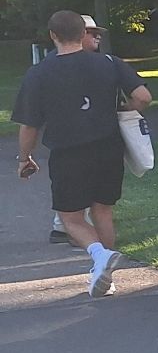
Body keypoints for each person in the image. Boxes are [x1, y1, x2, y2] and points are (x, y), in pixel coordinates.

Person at [14, 10, 153, 297]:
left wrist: (24, 158)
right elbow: (143, 97)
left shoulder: (39, 73)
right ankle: (106, 275)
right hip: (108, 147)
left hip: (68, 152)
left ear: (53, 36)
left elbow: (29, 126)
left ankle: (99, 256)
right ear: (83, 34)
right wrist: (123, 111)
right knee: (103, 211)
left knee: (71, 218)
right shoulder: (109, 63)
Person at [48, 14, 110, 245]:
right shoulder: (55, 67)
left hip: (91, 139)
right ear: (79, 35)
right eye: (92, 33)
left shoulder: (104, 63)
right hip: (80, 140)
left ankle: (69, 228)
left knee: (87, 196)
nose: (97, 37)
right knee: (88, 198)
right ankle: (89, 243)